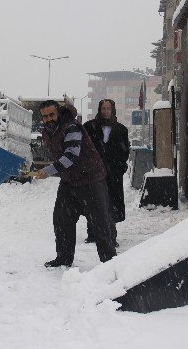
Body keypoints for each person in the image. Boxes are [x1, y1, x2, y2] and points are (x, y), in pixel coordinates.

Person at [35, 100, 117, 268]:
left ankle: (109, 262)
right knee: (61, 220)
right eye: (45, 116)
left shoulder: (71, 127)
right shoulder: (47, 132)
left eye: (51, 114)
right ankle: (63, 258)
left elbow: (71, 156)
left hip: (91, 180)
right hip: (70, 181)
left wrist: (48, 171)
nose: (49, 119)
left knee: (100, 224)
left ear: (58, 113)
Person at [83, 99, 130, 247]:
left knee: (111, 203)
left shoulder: (121, 129)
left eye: (108, 108)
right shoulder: (89, 127)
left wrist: (119, 167)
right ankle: (92, 233)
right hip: (94, 172)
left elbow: (125, 152)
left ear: (113, 110)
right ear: (99, 109)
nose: (105, 111)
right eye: (103, 108)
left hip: (113, 174)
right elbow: (84, 148)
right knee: (94, 201)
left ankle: (110, 235)